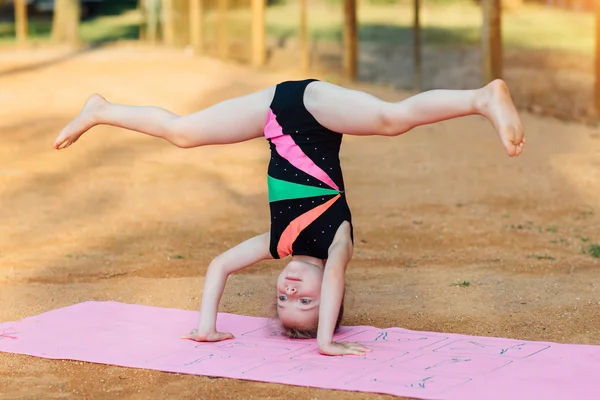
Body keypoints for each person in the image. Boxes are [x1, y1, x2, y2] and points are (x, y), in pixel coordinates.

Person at [53, 78, 525, 356]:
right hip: (315, 108)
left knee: (183, 133)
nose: (291, 293)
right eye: (307, 303)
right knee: (391, 119)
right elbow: (335, 277)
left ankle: (103, 110)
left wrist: (206, 326)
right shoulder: (337, 242)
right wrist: (325, 343)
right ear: (331, 299)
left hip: (273, 114)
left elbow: (219, 265)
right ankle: (481, 98)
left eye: (284, 302)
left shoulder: (279, 243)